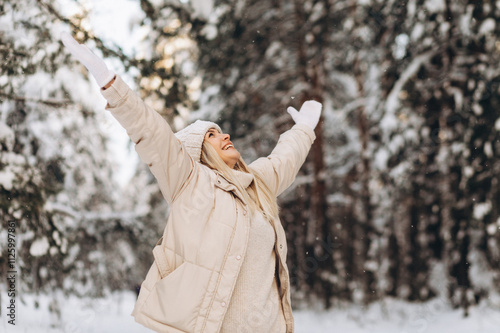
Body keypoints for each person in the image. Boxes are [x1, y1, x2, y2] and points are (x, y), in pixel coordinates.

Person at [61, 32, 322, 333]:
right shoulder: (189, 180)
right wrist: (110, 83)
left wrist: (303, 129)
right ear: (196, 153)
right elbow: (151, 130)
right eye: (211, 136)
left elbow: (284, 159)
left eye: (221, 132)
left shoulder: (256, 184)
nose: (224, 136)